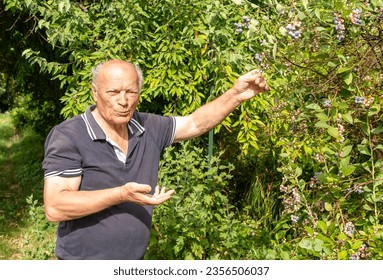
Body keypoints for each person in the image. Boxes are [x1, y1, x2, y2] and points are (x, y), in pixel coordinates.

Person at [42, 59, 269, 260]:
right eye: (113, 92)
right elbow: (55, 207)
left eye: (131, 92)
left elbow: (195, 123)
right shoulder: (69, 136)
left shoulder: (147, 126)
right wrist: (121, 195)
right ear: (95, 92)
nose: (124, 101)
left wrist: (235, 95)